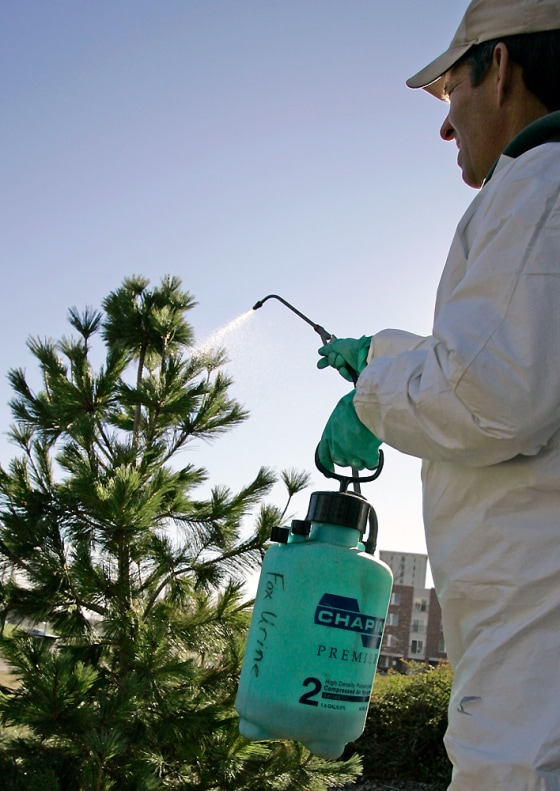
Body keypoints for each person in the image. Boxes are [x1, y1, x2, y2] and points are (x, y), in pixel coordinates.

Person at [317, 1, 560, 788]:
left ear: (499, 67)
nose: (446, 126)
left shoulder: (542, 185)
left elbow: (493, 391)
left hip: (535, 644)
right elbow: (511, 359)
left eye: (450, 89)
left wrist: (370, 396)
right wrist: (382, 360)